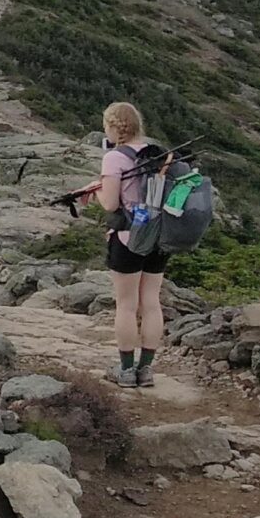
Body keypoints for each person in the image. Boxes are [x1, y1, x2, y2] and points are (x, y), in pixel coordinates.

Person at [98, 101, 166, 388]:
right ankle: (146, 370)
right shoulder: (158, 152)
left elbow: (111, 203)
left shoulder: (114, 158)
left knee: (126, 305)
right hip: (159, 235)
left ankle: (126, 371)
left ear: (114, 127)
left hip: (127, 236)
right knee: (151, 302)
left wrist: (96, 191)